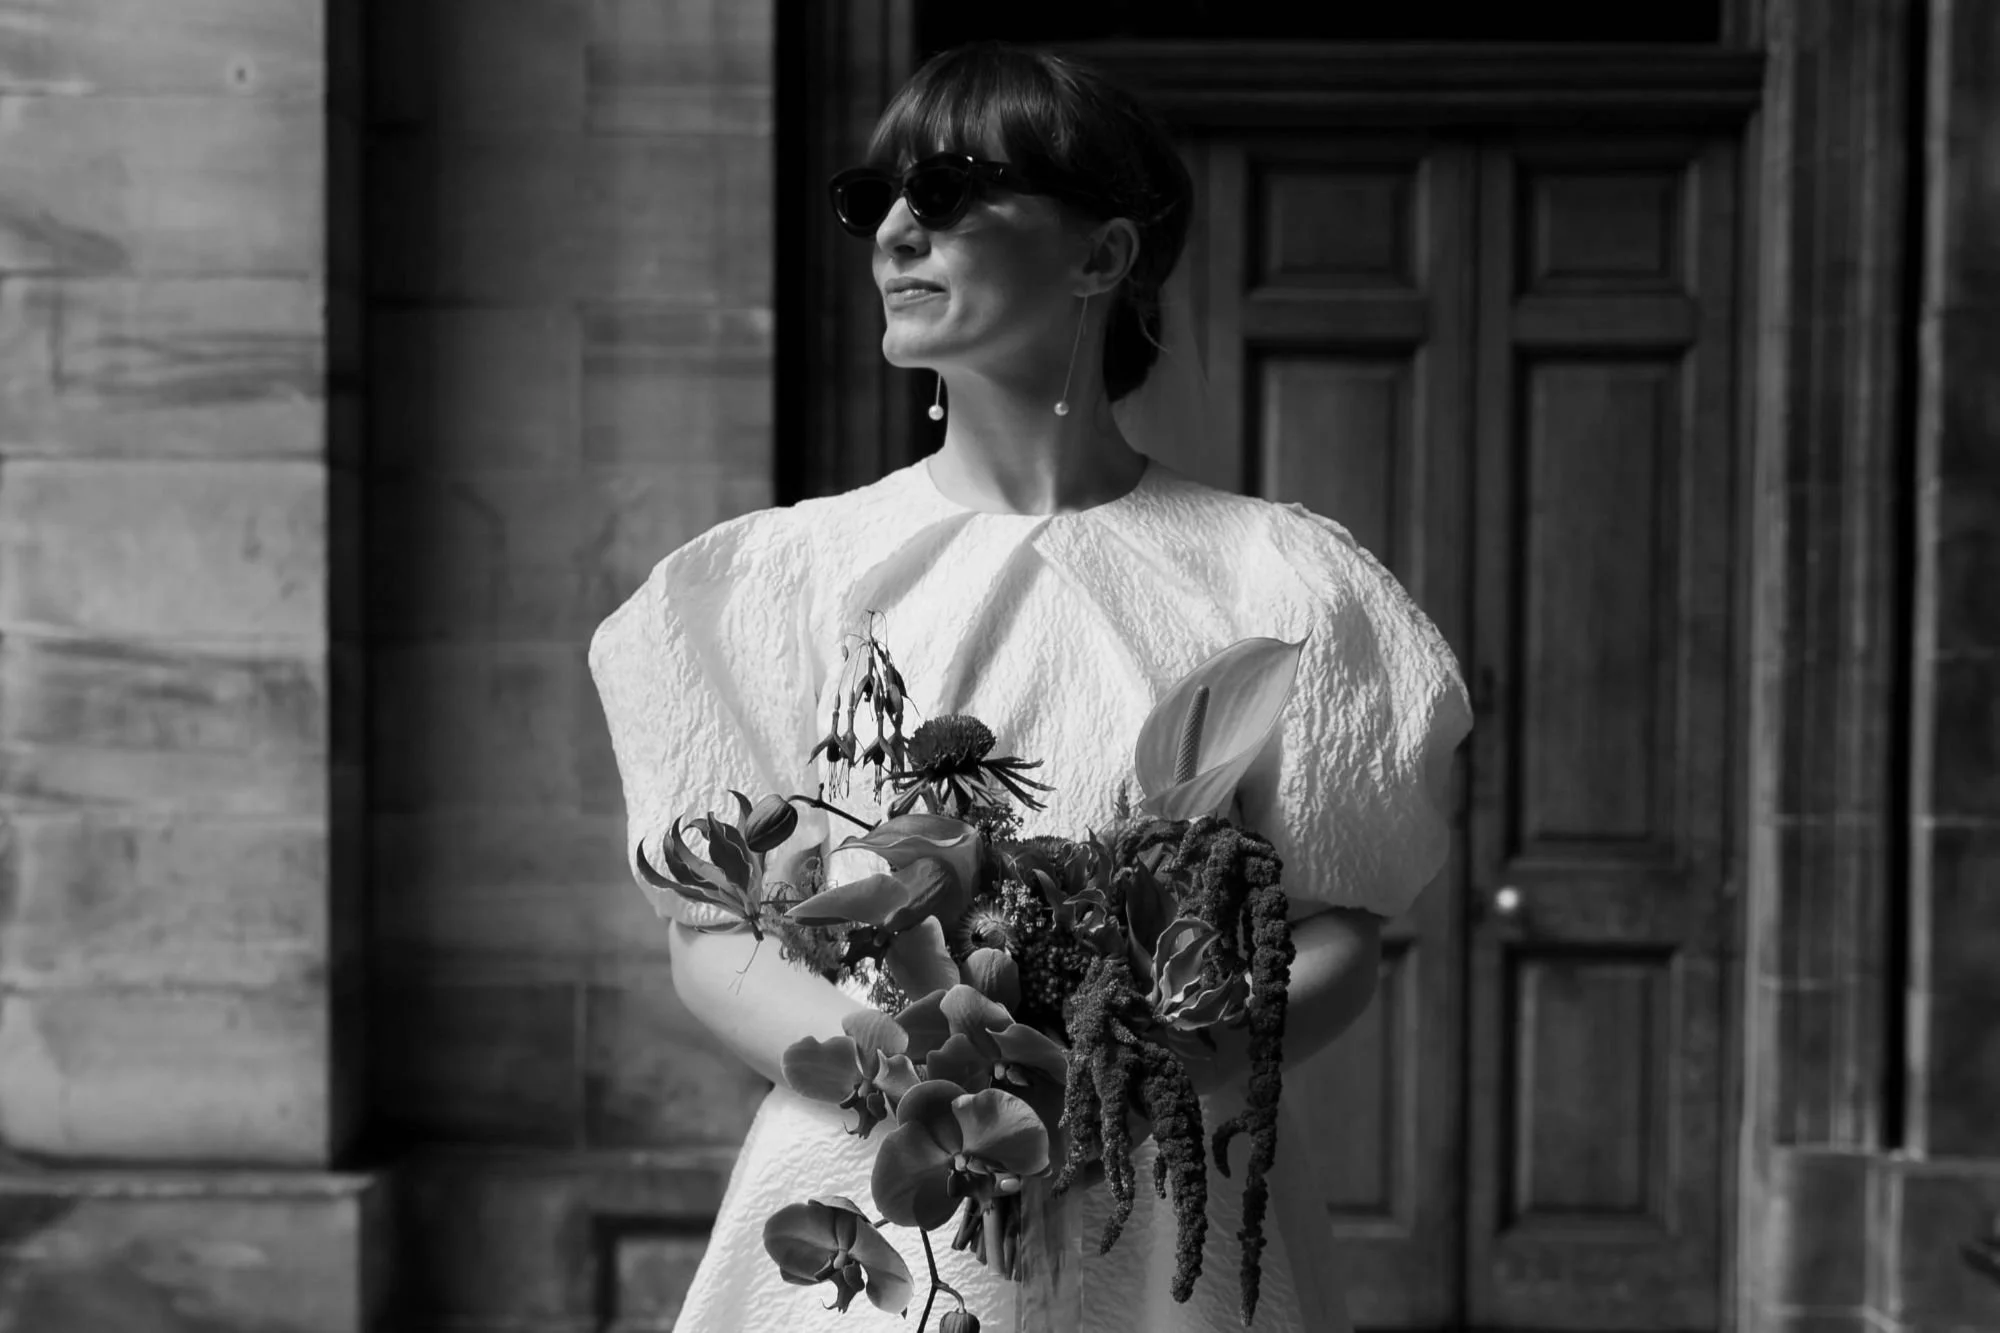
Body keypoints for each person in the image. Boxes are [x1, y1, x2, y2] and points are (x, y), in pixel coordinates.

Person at [589, 41, 1472, 1332]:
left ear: (1103, 256)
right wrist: (918, 1077)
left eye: (946, 190)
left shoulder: (1283, 580)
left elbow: (1340, 929)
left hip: (1173, 1198)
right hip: (867, 1209)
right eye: (874, 198)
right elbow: (711, 933)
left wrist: (1140, 1072)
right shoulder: (776, 582)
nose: (894, 230)